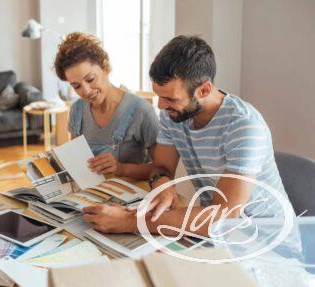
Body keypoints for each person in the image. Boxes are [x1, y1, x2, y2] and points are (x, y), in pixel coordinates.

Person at [83, 35, 293, 236]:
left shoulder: (244, 127)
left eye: (170, 98)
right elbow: (161, 167)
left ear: (204, 90)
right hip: (219, 233)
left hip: (266, 240)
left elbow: (225, 216)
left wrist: (130, 222)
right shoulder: (172, 114)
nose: (161, 106)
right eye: (159, 96)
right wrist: (163, 185)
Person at [54, 32, 158, 179]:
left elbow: (162, 170)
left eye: (90, 79)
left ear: (105, 67)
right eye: (77, 86)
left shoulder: (141, 111)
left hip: (130, 197)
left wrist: (122, 169)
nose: (86, 91)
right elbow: (76, 162)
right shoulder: (77, 110)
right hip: (89, 197)